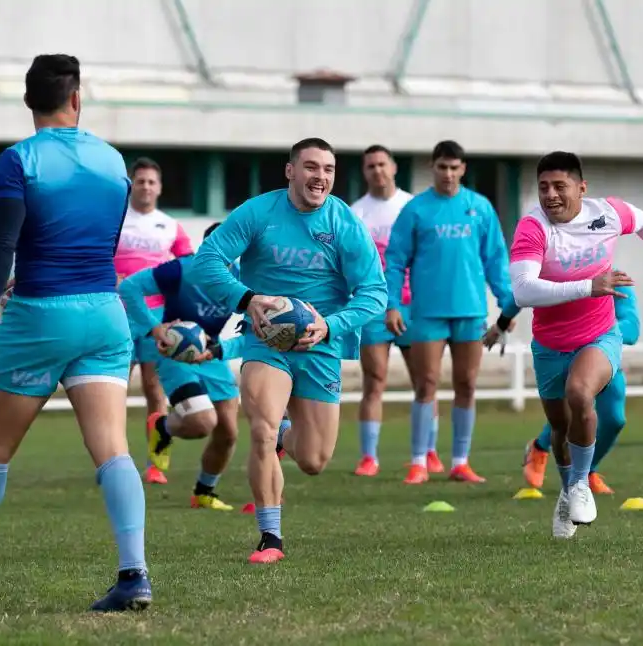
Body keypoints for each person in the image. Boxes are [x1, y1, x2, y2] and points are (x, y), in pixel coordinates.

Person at [0, 54, 152, 611]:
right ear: (77, 98)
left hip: (40, 315)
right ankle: (134, 574)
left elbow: (1, 244)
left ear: (28, 102)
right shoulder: (113, 160)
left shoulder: (19, 159)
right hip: (105, 313)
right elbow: (103, 241)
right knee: (113, 449)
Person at [187, 137, 387, 564]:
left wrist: (330, 325)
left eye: (328, 169)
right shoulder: (258, 212)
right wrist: (247, 300)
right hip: (266, 342)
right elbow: (206, 261)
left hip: (320, 346)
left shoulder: (345, 223)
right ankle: (270, 538)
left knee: (314, 460)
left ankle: (284, 434)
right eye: (311, 167)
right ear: (291, 170)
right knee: (260, 430)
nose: (320, 177)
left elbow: (375, 292)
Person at [508, 151, 643, 539]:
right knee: (559, 429)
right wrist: (589, 286)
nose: (551, 195)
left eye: (559, 186)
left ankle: (580, 484)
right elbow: (524, 291)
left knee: (581, 393)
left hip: (598, 334)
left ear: (581, 188)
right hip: (550, 345)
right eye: (543, 187)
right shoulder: (532, 227)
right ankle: (568, 492)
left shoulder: (607, 213)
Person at [119, 222, 292, 510]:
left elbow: (254, 331)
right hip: (175, 355)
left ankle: (203, 492)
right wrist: (154, 328)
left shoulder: (241, 281)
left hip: (211, 355)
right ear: (206, 246)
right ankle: (163, 426)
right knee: (202, 422)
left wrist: (220, 350)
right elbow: (129, 288)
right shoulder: (181, 269)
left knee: (228, 433)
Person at [384, 140, 517, 485]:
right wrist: (393, 304)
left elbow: (496, 260)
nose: (448, 173)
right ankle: (418, 461)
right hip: (428, 312)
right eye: (442, 167)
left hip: (470, 311)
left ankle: (460, 461)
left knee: (467, 384)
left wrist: (507, 302)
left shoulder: (480, 207)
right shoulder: (416, 209)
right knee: (426, 383)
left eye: (454, 167)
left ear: (463, 169)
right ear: (433, 167)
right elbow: (395, 260)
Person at [351, 145, 442, 477]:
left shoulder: (412, 207)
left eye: (382, 164)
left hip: (413, 305)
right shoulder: (356, 213)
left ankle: (429, 452)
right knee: (374, 380)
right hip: (373, 307)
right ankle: (369, 457)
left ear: (393, 167)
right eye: (370, 166)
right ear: (365, 172)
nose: (377, 170)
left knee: (425, 381)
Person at [513, 277, 640, 494]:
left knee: (615, 420)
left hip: (604, 357)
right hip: (563, 357)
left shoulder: (616, 280)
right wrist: (503, 321)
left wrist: (598, 332)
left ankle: (586, 470)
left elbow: (632, 327)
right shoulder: (563, 277)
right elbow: (523, 290)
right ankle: (543, 451)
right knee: (571, 412)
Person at [114, 157, 194, 486]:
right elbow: (94, 257)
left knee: (154, 389)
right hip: (118, 314)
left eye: (151, 182)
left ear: (159, 188)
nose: (146, 186)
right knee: (112, 389)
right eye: (141, 181)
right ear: (131, 185)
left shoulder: (171, 226)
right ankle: (114, 462)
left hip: (156, 317)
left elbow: (189, 267)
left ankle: (155, 464)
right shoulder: (115, 220)